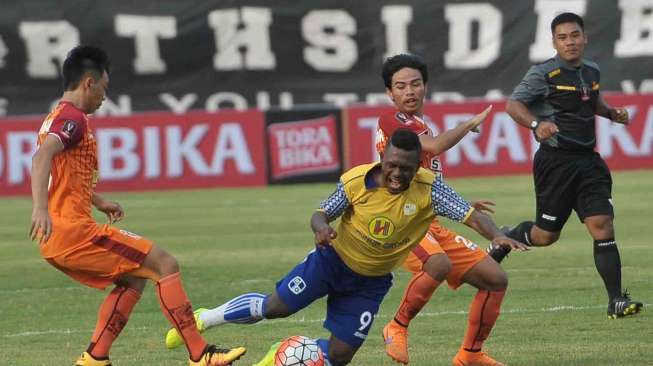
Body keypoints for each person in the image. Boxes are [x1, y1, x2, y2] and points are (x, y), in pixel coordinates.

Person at [164, 128, 527, 366]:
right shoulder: (357, 180)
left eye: (405, 168)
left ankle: (286, 353)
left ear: (417, 166)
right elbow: (321, 212)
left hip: (370, 282)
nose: (396, 174)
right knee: (275, 307)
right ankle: (205, 318)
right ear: (382, 161)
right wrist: (321, 229)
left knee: (340, 356)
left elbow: (470, 215)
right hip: (331, 261)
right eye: (391, 166)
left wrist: (493, 234)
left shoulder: (431, 189)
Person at [29, 45, 245, 366]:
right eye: (104, 86)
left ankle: (95, 357)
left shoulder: (55, 117)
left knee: (134, 277)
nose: (105, 95)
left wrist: (98, 200)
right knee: (165, 264)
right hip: (73, 233)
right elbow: (42, 156)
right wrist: (40, 209)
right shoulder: (72, 118)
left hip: (62, 235)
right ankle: (201, 354)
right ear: (89, 82)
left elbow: (62, 174)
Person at [487, 12, 643, 319]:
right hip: (555, 163)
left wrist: (612, 114)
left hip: (589, 161)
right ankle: (506, 237)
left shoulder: (592, 70)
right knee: (546, 236)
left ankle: (616, 301)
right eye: (563, 37)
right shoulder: (544, 73)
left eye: (574, 36)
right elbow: (513, 105)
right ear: (554, 42)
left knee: (602, 225)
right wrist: (536, 124)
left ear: (584, 38)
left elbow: (591, 100)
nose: (570, 42)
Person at [376, 53, 519, 366]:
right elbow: (435, 147)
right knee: (437, 265)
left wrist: (465, 206)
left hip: (427, 221)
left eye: (415, 83)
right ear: (390, 93)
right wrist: (467, 125)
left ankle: (471, 354)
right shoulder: (392, 121)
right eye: (400, 86)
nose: (409, 91)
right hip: (399, 221)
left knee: (495, 279)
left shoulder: (423, 127)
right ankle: (397, 326)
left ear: (426, 86)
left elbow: (429, 185)